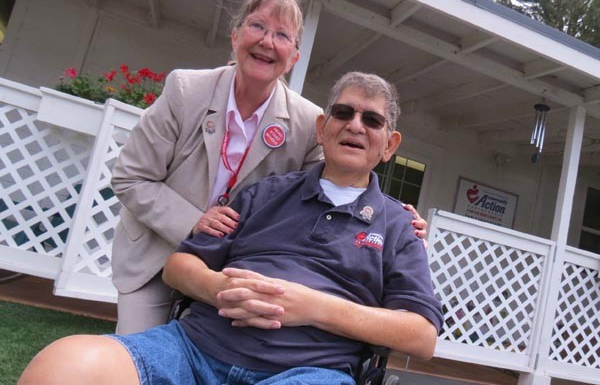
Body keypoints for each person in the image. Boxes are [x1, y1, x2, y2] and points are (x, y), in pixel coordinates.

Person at [19, 72, 443, 385]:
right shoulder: (264, 193)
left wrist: (312, 306)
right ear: (322, 127)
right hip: (193, 351)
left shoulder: (399, 226)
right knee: (63, 368)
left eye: (372, 120)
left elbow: (421, 336)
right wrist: (221, 288)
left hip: (309, 371)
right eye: (343, 112)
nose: (355, 125)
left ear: (389, 145)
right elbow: (179, 267)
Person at [110, 0, 428, 334]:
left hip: (235, 266)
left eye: (282, 35)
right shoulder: (186, 90)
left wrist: (396, 218)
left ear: (293, 57)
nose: (266, 41)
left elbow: (334, 185)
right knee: (137, 354)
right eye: (257, 26)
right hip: (157, 253)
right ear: (235, 36)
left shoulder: (309, 122)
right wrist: (195, 222)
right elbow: (130, 176)